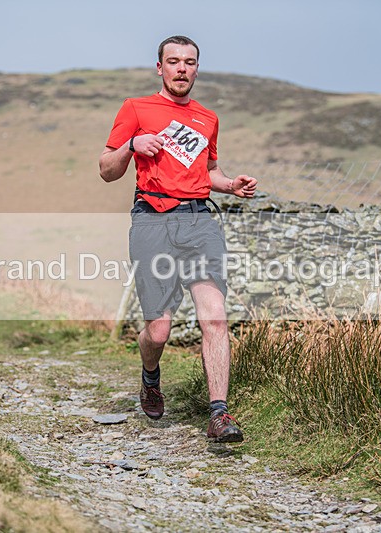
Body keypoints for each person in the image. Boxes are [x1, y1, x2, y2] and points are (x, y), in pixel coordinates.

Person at [99, 35, 257, 443]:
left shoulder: (208, 118)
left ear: (197, 68)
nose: (182, 69)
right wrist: (133, 145)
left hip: (198, 222)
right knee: (159, 331)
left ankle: (219, 414)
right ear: (160, 68)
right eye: (173, 62)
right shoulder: (136, 108)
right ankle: (151, 377)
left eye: (189, 62)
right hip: (152, 220)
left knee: (215, 315)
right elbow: (106, 169)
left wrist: (230, 185)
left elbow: (209, 172)